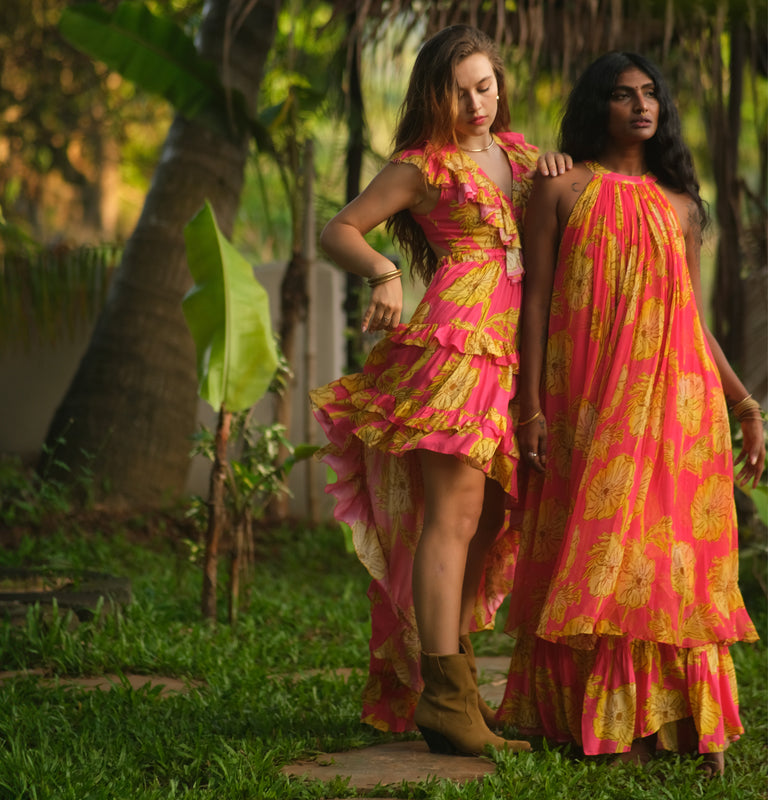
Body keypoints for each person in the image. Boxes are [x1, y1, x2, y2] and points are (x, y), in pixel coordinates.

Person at [498, 51, 764, 775]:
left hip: (680, 411)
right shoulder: (560, 189)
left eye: (650, 94)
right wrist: (530, 408)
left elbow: (695, 320)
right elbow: (537, 303)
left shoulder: (682, 205)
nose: (640, 105)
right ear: (597, 106)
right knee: (599, 553)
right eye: (622, 95)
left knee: (672, 560)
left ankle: (684, 726)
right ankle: (603, 723)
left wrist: (744, 405)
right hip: (587, 401)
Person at [310, 25, 571, 756]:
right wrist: (385, 273)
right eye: (459, 91)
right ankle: (449, 701)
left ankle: (448, 695)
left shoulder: (520, 154)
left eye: (485, 86)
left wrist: (558, 167)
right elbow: (341, 229)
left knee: (490, 520)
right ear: (434, 94)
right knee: (451, 519)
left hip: (520, 352)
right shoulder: (422, 166)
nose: (476, 102)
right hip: (458, 348)